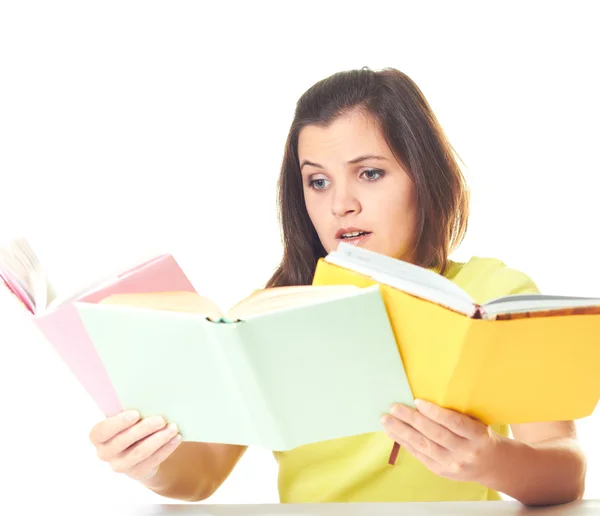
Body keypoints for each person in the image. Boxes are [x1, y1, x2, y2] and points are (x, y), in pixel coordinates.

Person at [88, 67, 587, 505]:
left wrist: (491, 460)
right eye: (318, 181)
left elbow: (567, 470)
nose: (340, 204)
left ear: (424, 177)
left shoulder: (493, 293)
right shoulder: (271, 313)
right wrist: (146, 461)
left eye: (369, 173)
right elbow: (200, 476)